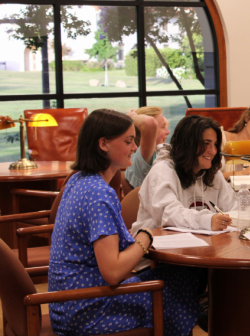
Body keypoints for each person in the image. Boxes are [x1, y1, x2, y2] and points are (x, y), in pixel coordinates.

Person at [49, 109, 205, 336]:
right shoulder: (99, 194)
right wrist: (145, 237)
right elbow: (113, 273)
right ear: (103, 144)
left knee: (176, 278)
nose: (134, 147)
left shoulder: (78, 180)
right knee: (185, 278)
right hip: (89, 310)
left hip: (65, 304)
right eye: (129, 141)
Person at [132, 115, 237, 234]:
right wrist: (205, 220)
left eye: (215, 144)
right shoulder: (162, 171)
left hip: (201, 244)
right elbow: (167, 215)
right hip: (156, 246)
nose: (213, 151)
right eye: (206, 143)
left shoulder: (213, 174)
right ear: (188, 144)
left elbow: (233, 208)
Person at [124, 106, 170, 189]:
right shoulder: (142, 158)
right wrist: (132, 117)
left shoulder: (157, 153)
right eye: (163, 127)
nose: (168, 132)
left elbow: (163, 121)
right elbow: (149, 123)